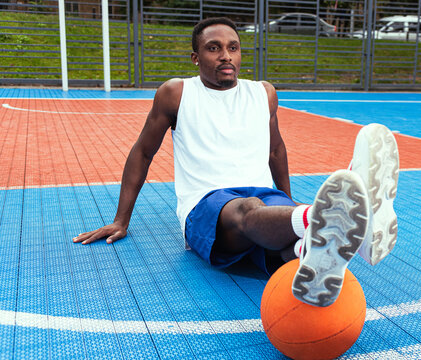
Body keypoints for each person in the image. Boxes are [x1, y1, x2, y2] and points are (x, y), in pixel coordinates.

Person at [73, 17, 399, 307]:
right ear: (196, 57)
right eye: (214, 48)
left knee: (288, 255)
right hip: (207, 204)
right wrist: (121, 220)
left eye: (233, 47)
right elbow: (143, 153)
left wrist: (286, 200)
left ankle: (312, 239)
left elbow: (276, 151)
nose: (226, 55)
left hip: (265, 203)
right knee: (248, 208)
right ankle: (326, 218)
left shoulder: (264, 93)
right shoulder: (176, 93)